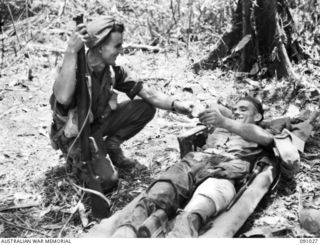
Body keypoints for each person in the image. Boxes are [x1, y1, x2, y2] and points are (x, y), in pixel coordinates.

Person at [49, 16, 194, 188]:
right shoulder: (74, 71)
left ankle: (112, 144)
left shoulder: (112, 71)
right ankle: (76, 160)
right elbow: (63, 97)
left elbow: (149, 94)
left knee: (146, 107)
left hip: (97, 125)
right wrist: (71, 51)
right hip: (75, 135)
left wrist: (177, 105)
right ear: (100, 47)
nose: (121, 50)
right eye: (117, 46)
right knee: (108, 181)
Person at [112, 96, 276, 237]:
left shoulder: (258, 130)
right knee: (164, 188)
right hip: (197, 159)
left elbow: (267, 140)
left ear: (257, 116)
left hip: (227, 166)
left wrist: (226, 121)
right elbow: (215, 106)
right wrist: (227, 116)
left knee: (207, 197)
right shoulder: (223, 124)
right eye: (235, 109)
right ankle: (128, 230)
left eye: (243, 109)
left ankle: (181, 231)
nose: (237, 112)